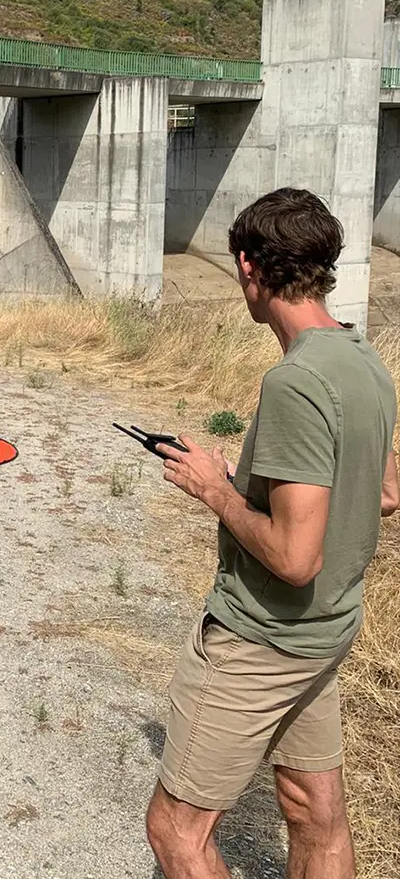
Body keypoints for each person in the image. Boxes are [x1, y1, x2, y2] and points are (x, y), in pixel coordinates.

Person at [145, 188, 399, 879]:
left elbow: (293, 555)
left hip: (263, 639)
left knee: (176, 831)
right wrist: (260, 484)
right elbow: (385, 492)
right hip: (325, 633)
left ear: (248, 268)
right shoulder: (362, 358)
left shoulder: (296, 382)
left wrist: (214, 488)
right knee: (314, 811)